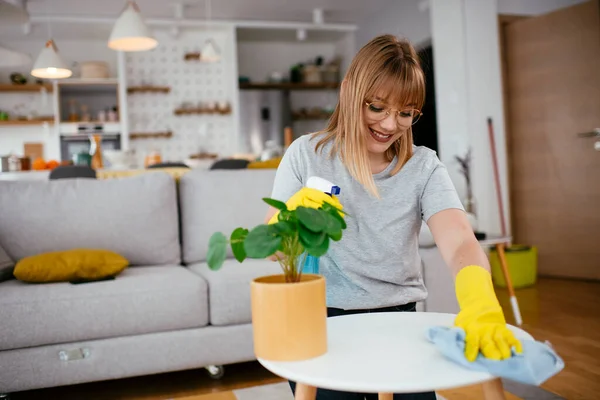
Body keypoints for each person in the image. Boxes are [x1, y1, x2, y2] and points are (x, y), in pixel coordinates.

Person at [265, 34, 522, 400]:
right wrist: (292, 217)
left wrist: (480, 300)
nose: (389, 125)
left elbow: (460, 239)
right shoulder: (306, 155)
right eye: (377, 107)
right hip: (324, 323)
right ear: (349, 92)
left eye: (405, 113)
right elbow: (271, 249)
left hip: (403, 321)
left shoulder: (423, 167)